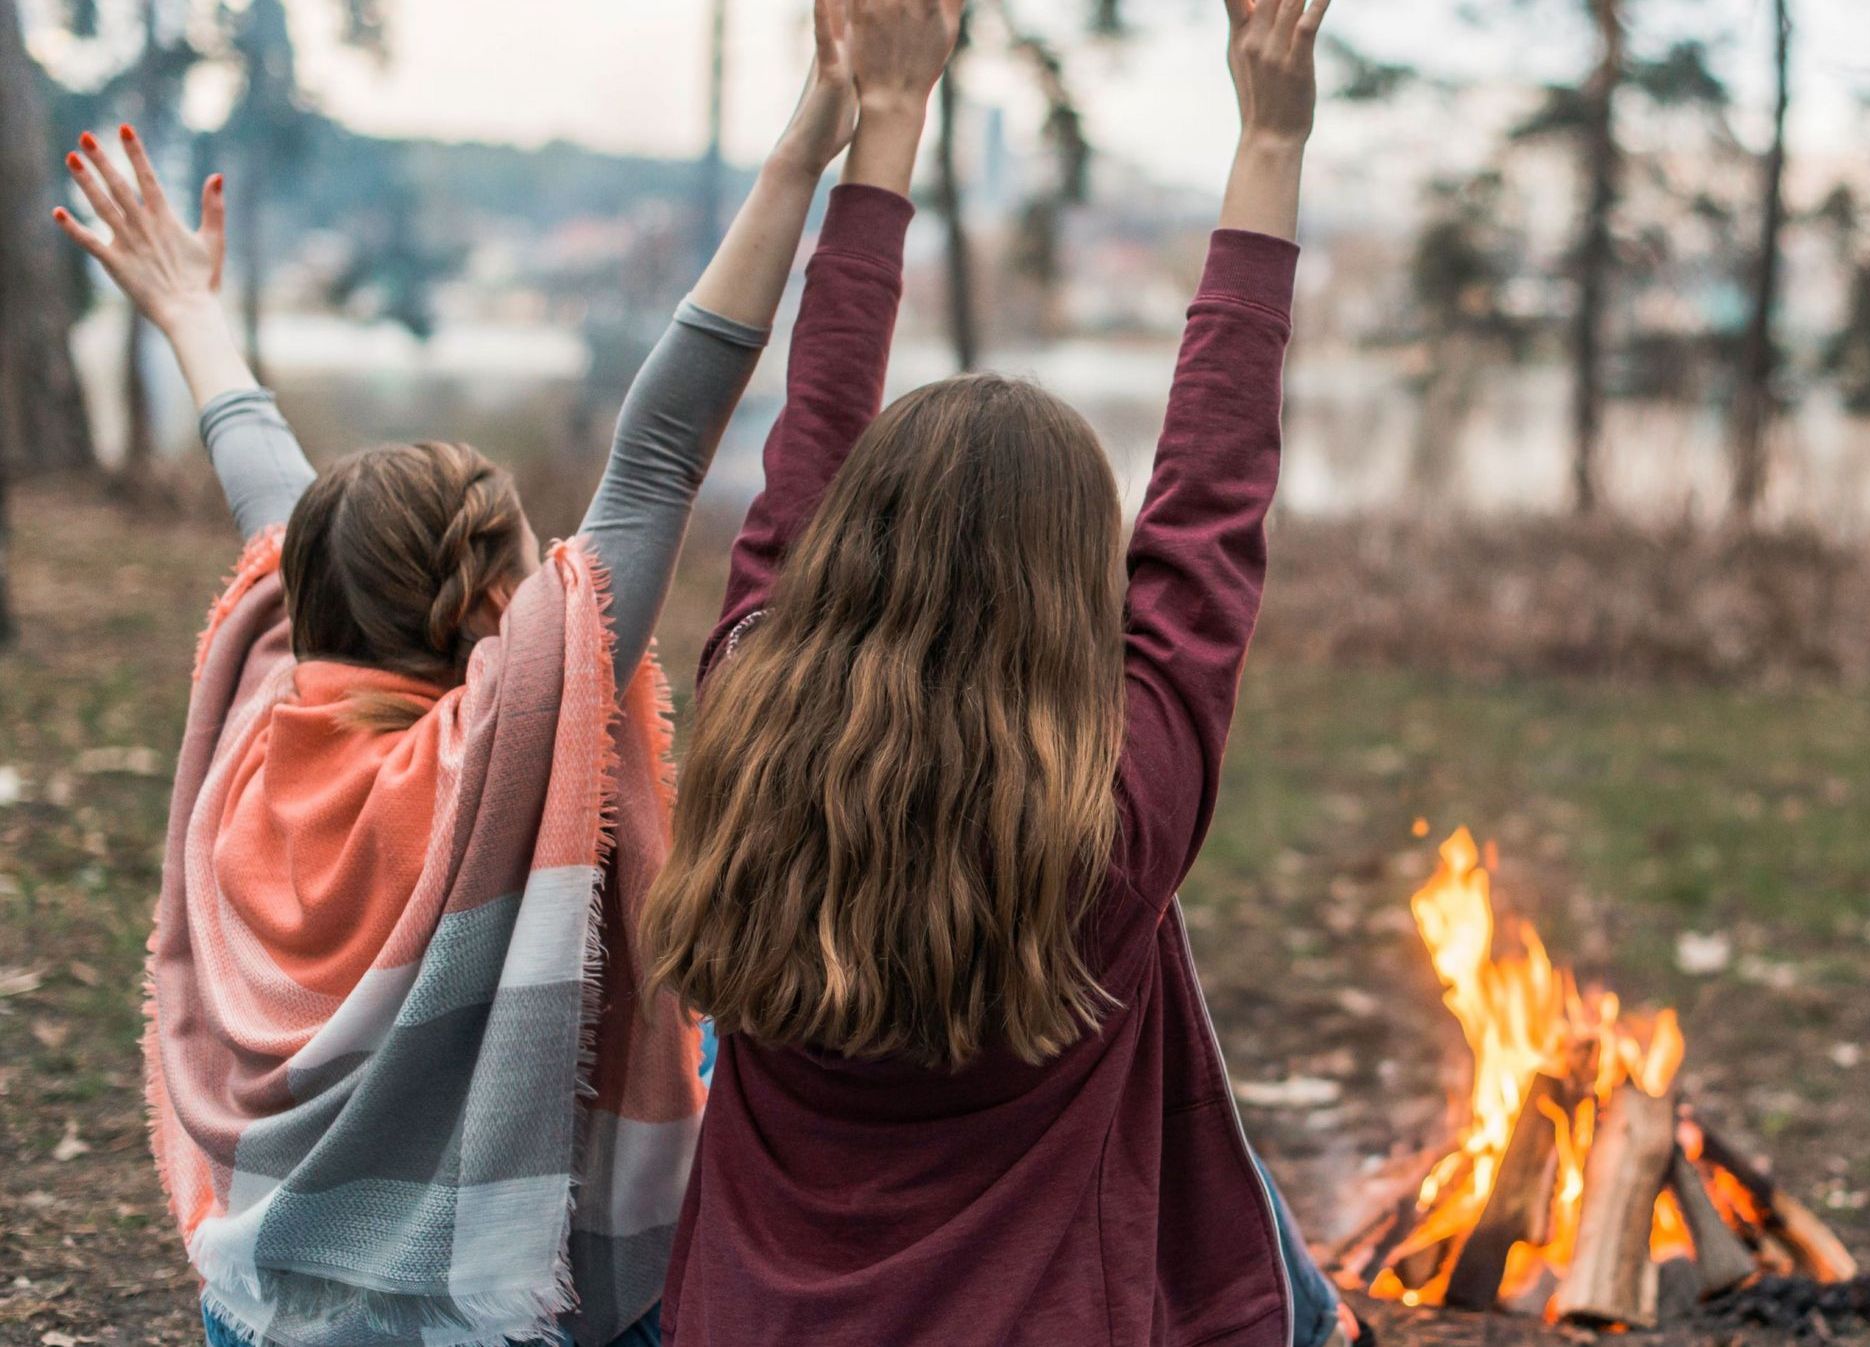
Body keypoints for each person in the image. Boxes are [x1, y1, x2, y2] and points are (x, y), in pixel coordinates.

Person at [51, 10, 865, 1341]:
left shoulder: (262, 709)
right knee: (702, 1056)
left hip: (266, 1305)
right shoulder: (503, 749)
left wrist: (190, 311)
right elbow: (661, 445)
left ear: (294, 597)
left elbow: (270, 493)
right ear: (502, 610)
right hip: (495, 1306)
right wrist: (805, 150)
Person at [638, 0, 1358, 1343]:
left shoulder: (743, 703)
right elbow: (1209, 508)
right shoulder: (1113, 821)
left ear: (848, 546)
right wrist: (1270, 137)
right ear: (1072, 587)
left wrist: (891, 119)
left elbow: (810, 438)